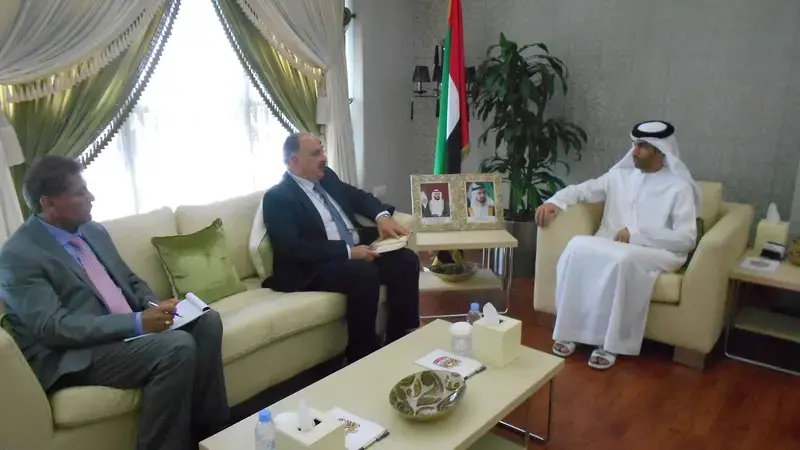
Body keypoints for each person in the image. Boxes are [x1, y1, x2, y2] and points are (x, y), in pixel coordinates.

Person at [0, 156, 229, 450]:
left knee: (207, 321)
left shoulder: (93, 230)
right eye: (80, 192)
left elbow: (130, 280)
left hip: (127, 329)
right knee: (176, 348)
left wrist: (155, 307)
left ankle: (213, 435)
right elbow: (53, 327)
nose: (91, 197)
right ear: (49, 203)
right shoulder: (19, 255)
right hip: (78, 353)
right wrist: (136, 322)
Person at [535, 120, 700, 370]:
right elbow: (583, 190)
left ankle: (611, 344)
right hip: (609, 244)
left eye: (642, 146)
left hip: (658, 252)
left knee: (622, 260)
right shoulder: (619, 176)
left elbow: (687, 239)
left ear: (659, 150)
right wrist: (555, 202)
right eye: (634, 144)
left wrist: (637, 234)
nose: (634, 151)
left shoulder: (679, 188)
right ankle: (571, 331)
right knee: (576, 246)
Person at [262, 132, 420, 363]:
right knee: (363, 273)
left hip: (355, 247)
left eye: (323, 151)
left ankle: (399, 338)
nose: (324, 158)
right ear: (294, 162)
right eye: (316, 154)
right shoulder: (278, 197)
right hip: (315, 265)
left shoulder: (327, 178)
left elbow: (359, 198)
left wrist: (382, 216)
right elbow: (292, 248)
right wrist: (347, 252)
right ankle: (361, 354)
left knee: (405, 260)